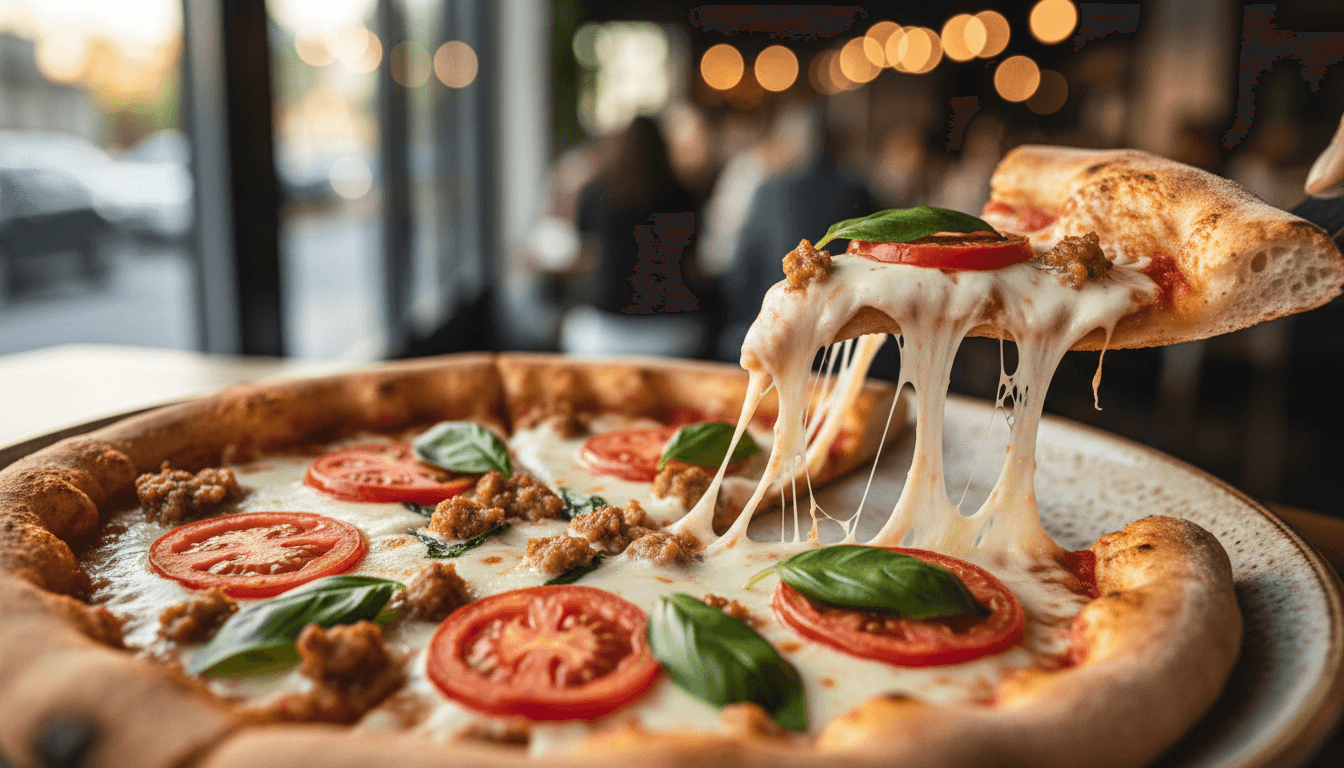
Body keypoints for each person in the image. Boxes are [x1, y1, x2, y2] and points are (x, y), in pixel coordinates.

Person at [717, 105, 875, 360]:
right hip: (846, 341)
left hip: (777, 331)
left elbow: (742, 276)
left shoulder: (768, 192)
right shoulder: (859, 192)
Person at [561, 116, 708, 357]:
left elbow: (585, 253)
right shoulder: (684, 196)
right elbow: (694, 262)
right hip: (673, 330)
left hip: (607, 329)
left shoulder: (596, 193)